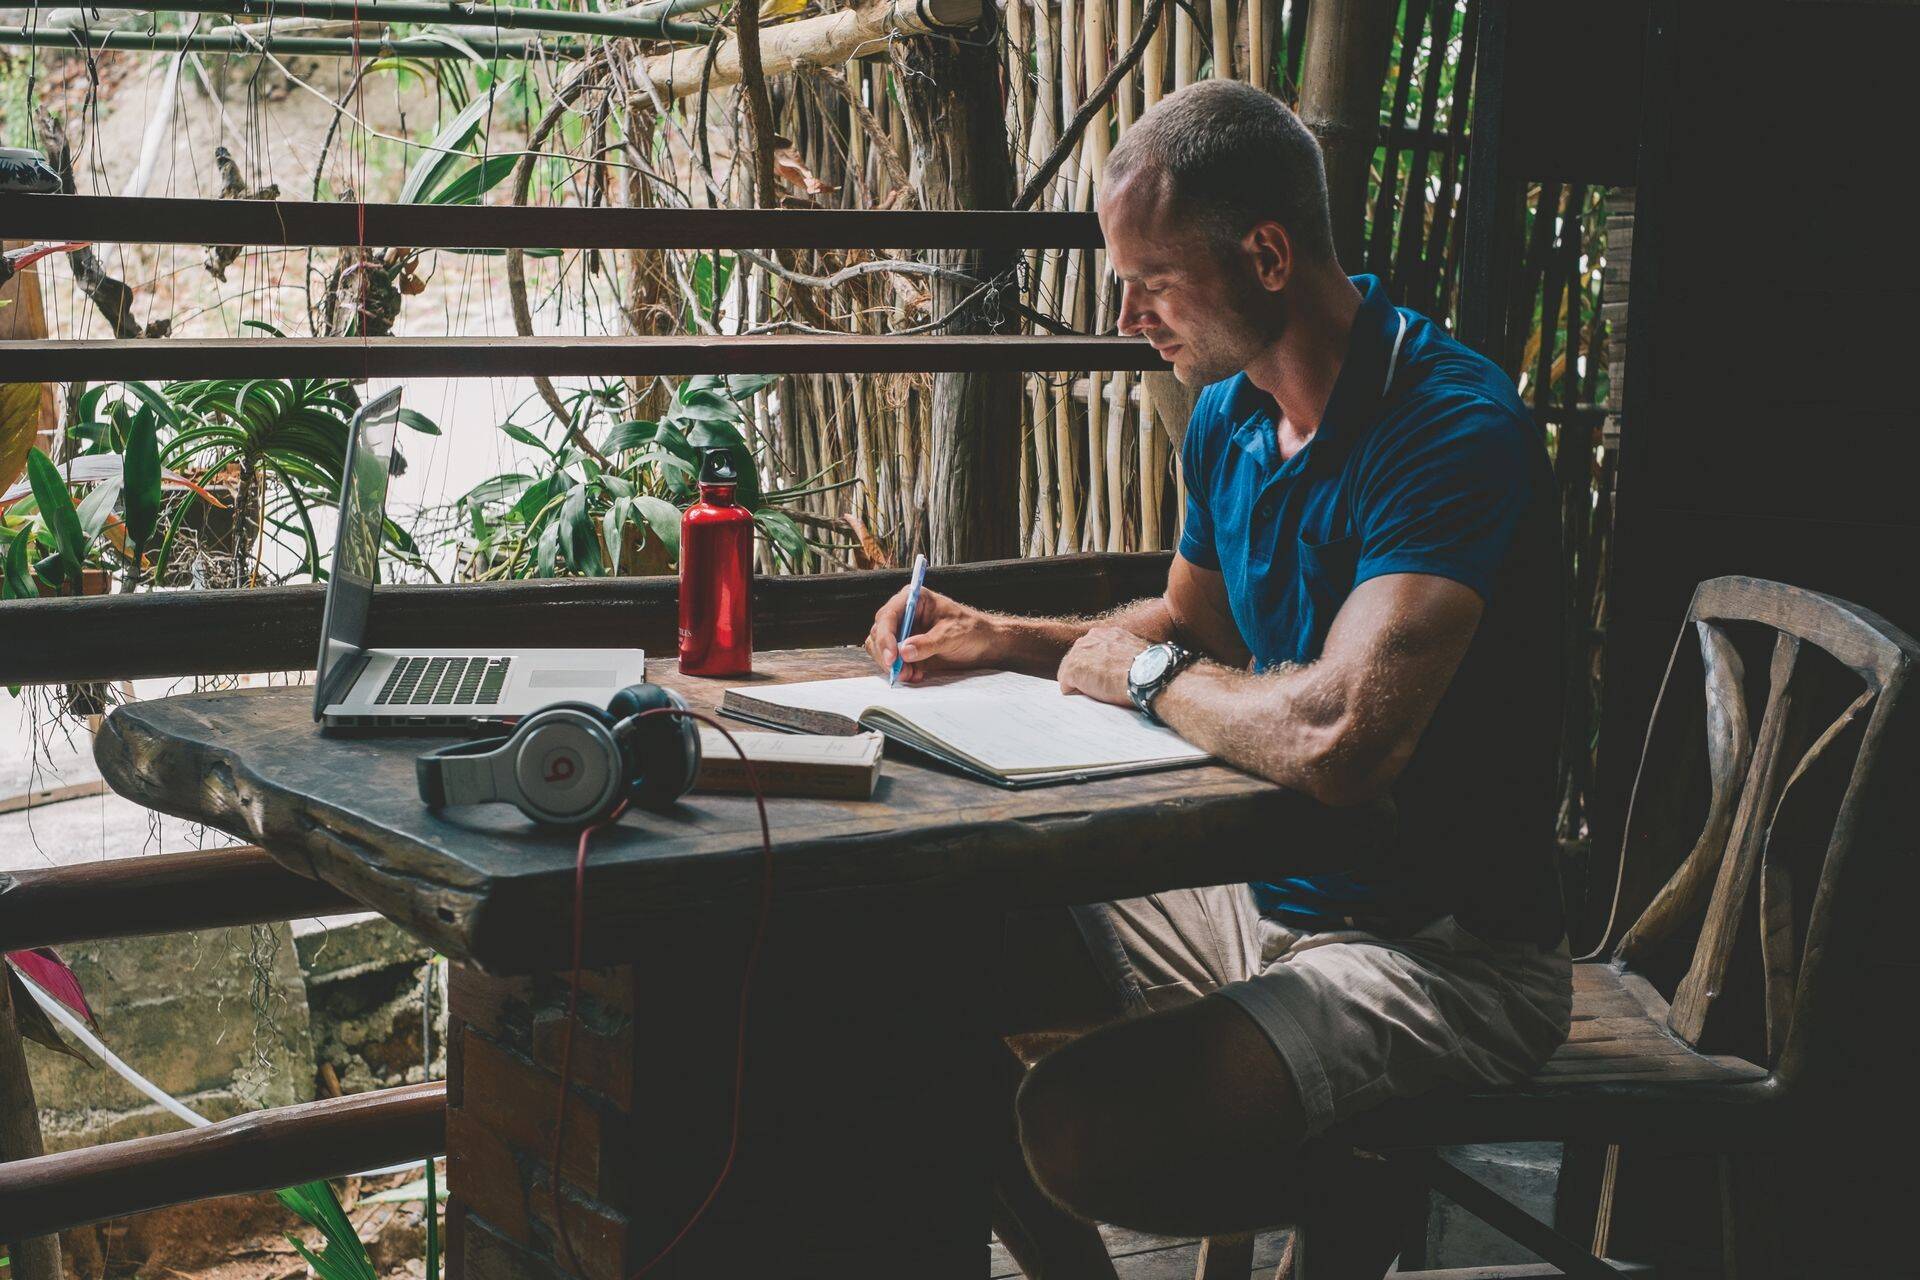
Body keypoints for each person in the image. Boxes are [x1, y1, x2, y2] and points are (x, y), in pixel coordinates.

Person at [863, 79, 1572, 1278]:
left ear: (1270, 253)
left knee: (1077, 1125)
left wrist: (1144, 675)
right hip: (1255, 895)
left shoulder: (1451, 429)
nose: (1127, 312)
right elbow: (1193, 624)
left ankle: (1358, 1197)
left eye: (1152, 280)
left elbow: (1343, 734)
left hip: (1443, 953)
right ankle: (1313, 1195)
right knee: (909, 988)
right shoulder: (1231, 417)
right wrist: (1005, 633)